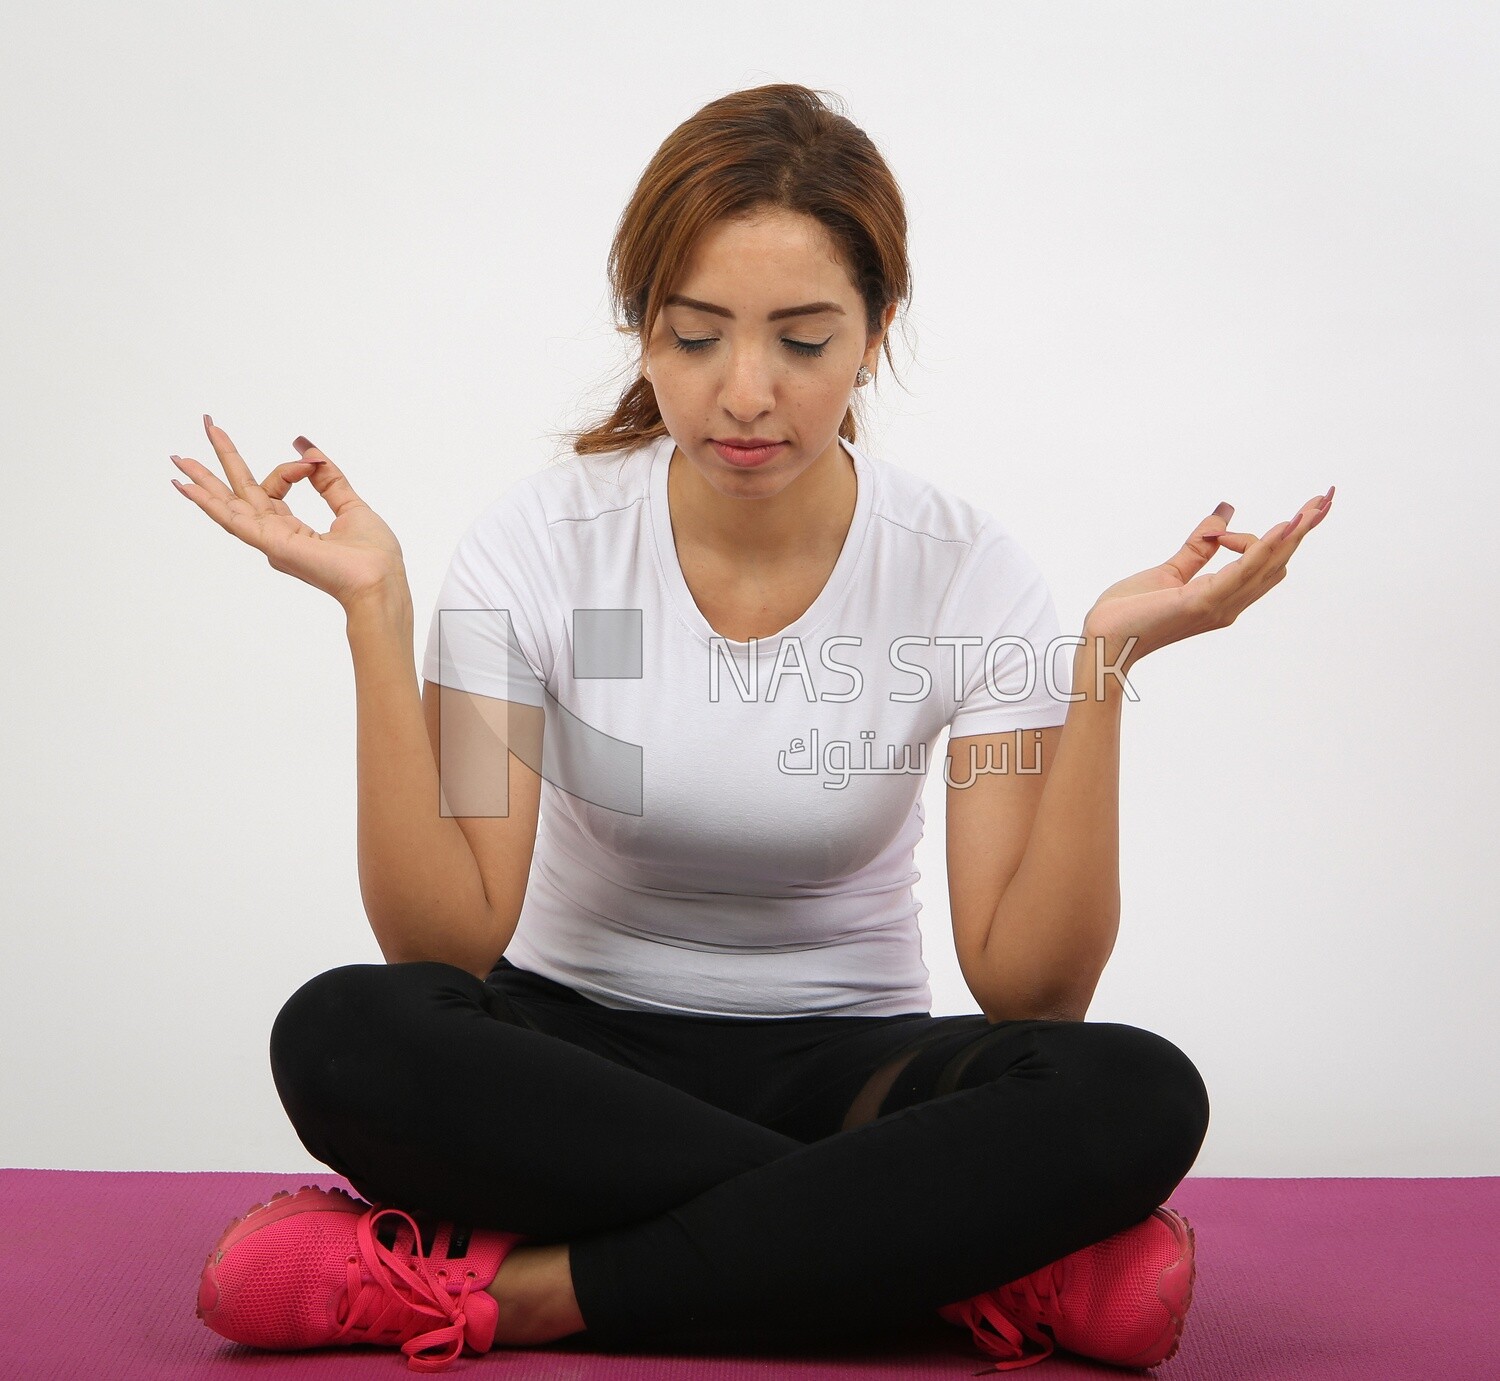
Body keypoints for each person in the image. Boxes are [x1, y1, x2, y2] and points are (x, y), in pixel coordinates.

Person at [171, 83, 1332, 1375]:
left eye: (802, 339)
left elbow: (1030, 986)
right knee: (346, 1030)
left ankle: (530, 1286)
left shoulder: (968, 577)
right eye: (696, 336)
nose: (745, 393)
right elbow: (446, 936)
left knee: (1136, 1092)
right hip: (566, 1058)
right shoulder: (536, 553)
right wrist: (376, 615)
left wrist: (1102, 665)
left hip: (853, 1076)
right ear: (644, 335)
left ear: (875, 334)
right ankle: (960, 1260)